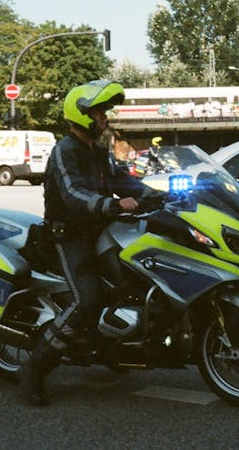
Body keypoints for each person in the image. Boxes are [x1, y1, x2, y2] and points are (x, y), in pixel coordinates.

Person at [18, 80, 164, 406]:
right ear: (82, 114)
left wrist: (155, 194)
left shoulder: (97, 151)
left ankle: (113, 344)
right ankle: (34, 368)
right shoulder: (63, 152)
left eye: (104, 113)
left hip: (99, 231)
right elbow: (73, 196)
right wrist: (113, 205)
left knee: (130, 279)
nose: (104, 119)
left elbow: (120, 181)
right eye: (99, 113)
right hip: (67, 235)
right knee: (87, 300)